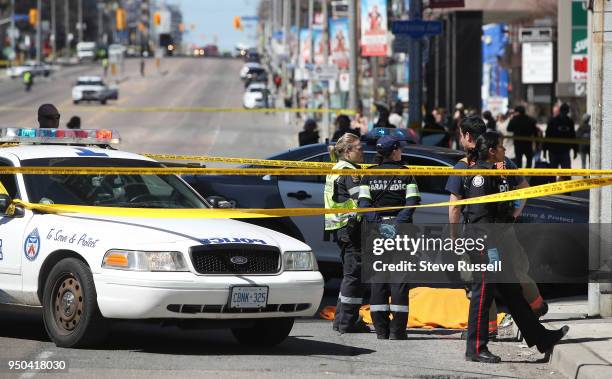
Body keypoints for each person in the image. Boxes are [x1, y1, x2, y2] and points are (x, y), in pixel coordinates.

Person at [460, 131, 569, 363]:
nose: (504, 151)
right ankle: (476, 348)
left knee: (513, 292)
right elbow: (479, 217)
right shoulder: (480, 175)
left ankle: (541, 338)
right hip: (484, 243)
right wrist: (490, 248)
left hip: (495, 242)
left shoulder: (496, 172)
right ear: (491, 151)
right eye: (501, 148)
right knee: (483, 295)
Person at [446, 116, 549, 341]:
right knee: (515, 274)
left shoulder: (464, 167)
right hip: (505, 231)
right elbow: (524, 188)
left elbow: (454, 207)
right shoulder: (502, 162)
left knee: (478, 280)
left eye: (460, 134)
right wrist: (514, 214)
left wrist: (454, 237)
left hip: (478, 234)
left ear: (468, 136)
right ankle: (537, 308)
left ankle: (488, 328)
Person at [358, 136, 421, 340]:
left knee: (378, 280)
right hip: (401, 230)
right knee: (400, 280)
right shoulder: (406, 174)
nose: (401, 151)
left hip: (376, 231)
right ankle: (397, 331)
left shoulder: (368, 175)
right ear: (394, 151)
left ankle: (381, 330)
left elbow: (364, 205)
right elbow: (411, 203)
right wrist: (396, 224)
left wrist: (380, 224)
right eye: (399, 149)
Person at [325, 133, 370, 334]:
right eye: (359, 148)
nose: (363, 151)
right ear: (348, 151)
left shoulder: (337, 167)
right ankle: (348, 321)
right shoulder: (349, 172)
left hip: (341, 227)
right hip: (351, 227)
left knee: (349, 275)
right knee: (354, 275)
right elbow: (361, 199)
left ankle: (341, 319)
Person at [544, 103, 578, 181]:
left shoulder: (569, 122)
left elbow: (573, 136)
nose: (564, 113)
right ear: (561, 111)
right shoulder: (553, 121)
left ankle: (567, 190)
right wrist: (545, 150)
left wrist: (575, 150)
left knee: (566, 172)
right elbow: (547, 136)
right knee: (553, 172)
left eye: (566, 111)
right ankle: (552, 188)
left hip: (564, 151)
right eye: (563, 111)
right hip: (554, 151)